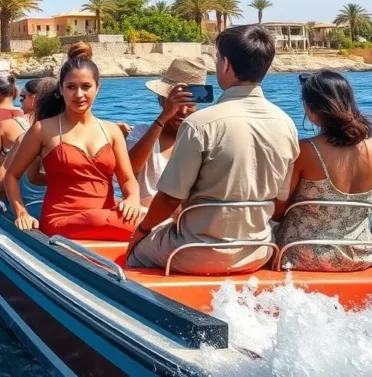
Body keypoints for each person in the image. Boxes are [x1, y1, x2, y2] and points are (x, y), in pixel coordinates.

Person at [126, 25, 299, 275]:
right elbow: (280, 200)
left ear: (226, 64)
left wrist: (141, 233)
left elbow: (170, 198)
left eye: (217, 58)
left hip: (194, 252)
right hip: (257, 251)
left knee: (134, 254)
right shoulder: (287, 124)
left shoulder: (201, 124)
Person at [2, 43, 142, 240]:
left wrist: (133, 199)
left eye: (86, 87)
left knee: (153, 210)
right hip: (62, 220)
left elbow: (128, 180)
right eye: (71, 87)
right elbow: (12, 176)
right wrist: (21, 212)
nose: (78, 94)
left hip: (107, 219)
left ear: (97, 88)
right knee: (149, 223)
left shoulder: (112, 131)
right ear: (61, 88)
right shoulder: (42, 130)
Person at [272, 71, 372, 271]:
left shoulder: (306, 150)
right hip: (361, 254)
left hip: (301, 255)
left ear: (310, 109)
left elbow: (279, 210)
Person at [126, 59, 206, 206]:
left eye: (189, 104)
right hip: (147, 220)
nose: (182, 111)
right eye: (177, 103)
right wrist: (162, 119)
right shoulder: (142, 133)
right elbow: (128, 170)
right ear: (163, 100)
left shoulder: (201, 140)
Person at [0, 78, 53, 215]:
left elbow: (0, 173)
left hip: (30, 209)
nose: (20, 104)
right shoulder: (76, 135)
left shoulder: (25, 139)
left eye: (22, 98)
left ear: (35, 100)